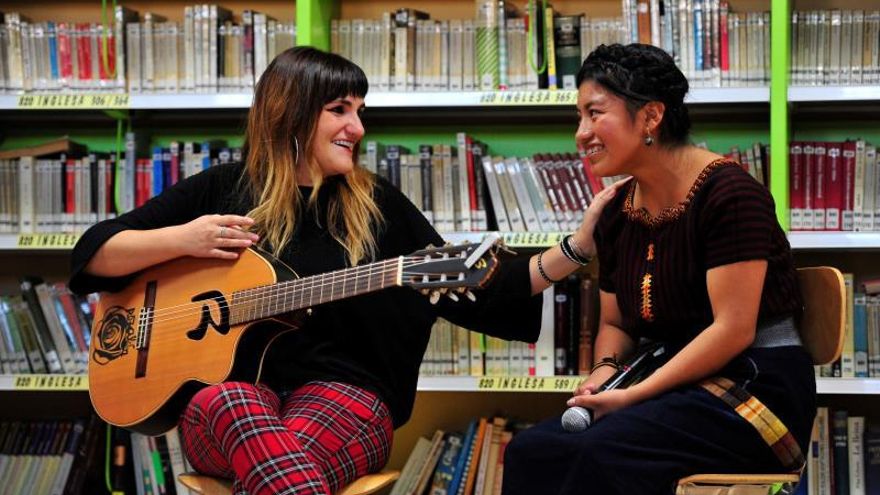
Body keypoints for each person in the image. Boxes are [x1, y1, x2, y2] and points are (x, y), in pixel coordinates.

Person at [69, 47, 626, 495]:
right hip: (229, 403)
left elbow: (481, 286)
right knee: (228, 400)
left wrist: (575, 248)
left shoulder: (378, 205)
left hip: (347, 398)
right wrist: (183, 238)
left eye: (359, 110)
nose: (357, 127)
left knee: (272, 454)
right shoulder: (223, 189)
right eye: (340, 110)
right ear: (290, 112)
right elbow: (93, 254)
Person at [502, 43, 815, 495]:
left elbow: (733, 330)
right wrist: (604, 373)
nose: (581, 133)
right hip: (666, 382)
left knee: (599, 453)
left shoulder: (730, 194)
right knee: (530, 449)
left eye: (595, 113)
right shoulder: (614, 213)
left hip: (754, 387)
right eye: (579, 117)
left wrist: (631, 396)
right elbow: (615, 322)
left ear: (650, 117)